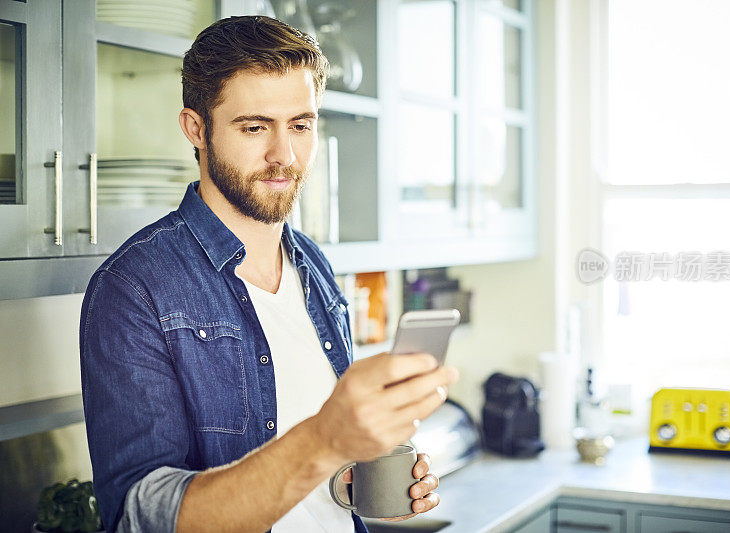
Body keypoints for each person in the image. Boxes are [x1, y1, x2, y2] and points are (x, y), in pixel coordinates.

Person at [79, 15, 459, 533]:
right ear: (196, 128)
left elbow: (297, 470)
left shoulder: (314, 267)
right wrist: (325, 439)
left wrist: (349, 479)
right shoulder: (133, 289)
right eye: (255, 127)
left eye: (301, 125)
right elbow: (141, 518)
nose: (284, 155)